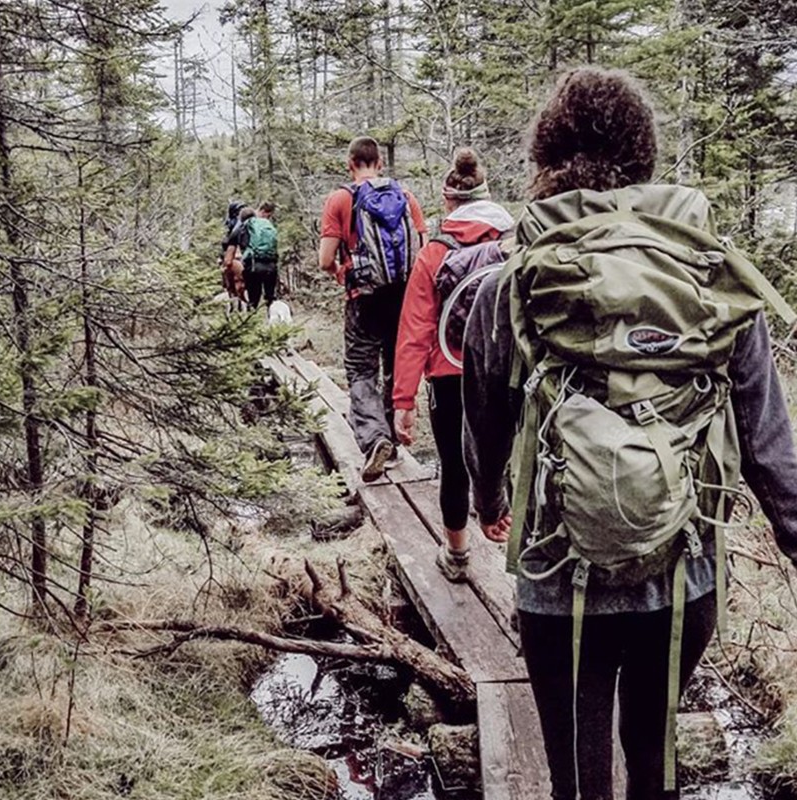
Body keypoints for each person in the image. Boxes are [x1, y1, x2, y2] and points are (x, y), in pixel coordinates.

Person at [462, 67, 797, 800]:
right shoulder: (708, 276)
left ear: (545, 155)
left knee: (579, 778)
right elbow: (768, 437)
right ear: (644, 156)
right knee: (655, 752)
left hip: (558, 574)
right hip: (684, 570)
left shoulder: (511, 280)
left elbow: (485, 418)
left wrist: (488, 502)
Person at [392, 147, 513, 582]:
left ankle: (457, 557)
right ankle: (515, 557)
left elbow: (414, 330)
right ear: (488, 194)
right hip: (506, 375)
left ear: (448, 202)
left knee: (454, 466)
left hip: (450, 374)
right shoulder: (514, 242)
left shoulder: (435, 253)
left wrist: (402, 401)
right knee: (509, 462)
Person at [319, 136, 428, 482]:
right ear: (380, 163)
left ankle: (375, 438)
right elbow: (422, 250)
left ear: (350, 164)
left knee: (361, 369)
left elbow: (324, 260)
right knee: (395, 366)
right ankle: (393, 439)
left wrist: (340, 272)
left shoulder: (341, 199)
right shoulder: (406, 197)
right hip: (402, 296)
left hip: (363, 298)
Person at [223, 203, 279, 311]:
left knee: (253, 302)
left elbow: (228, 261)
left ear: (241, 218)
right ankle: (273, 325)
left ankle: (252, 324)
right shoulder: (266, 225)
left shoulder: (239, 230)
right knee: (270, 300)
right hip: (271, 266)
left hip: (253, 267)